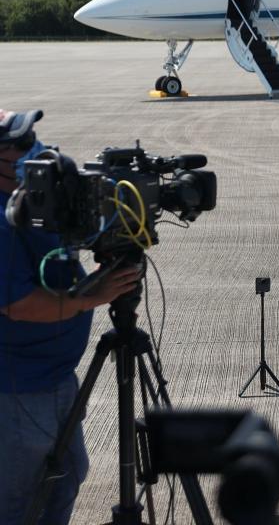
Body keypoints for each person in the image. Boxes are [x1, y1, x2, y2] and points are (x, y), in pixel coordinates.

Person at [0, 108, 141, 525]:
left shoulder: (36, 196)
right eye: (21, 145)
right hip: (18, 389)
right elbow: (18, 304)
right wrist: (86, 300)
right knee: (20, 500)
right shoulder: (3, 220)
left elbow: (88, 227)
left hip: (58, 379)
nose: (35, 152)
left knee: (66, 478)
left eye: (34, 140)